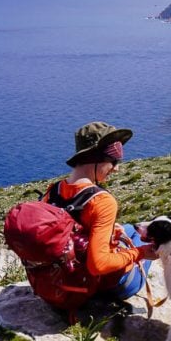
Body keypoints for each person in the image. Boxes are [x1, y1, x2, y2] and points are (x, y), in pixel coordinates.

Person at [46, 121, 157, 303]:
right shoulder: (102, 201)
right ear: (95, 158)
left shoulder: (53, 191)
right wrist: (141, 253)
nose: (117, 168)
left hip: (59, 282)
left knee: (128, 228)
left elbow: (68, 232)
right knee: (148, 240)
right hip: (107, 286)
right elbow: (99, 264)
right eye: (113, 160)